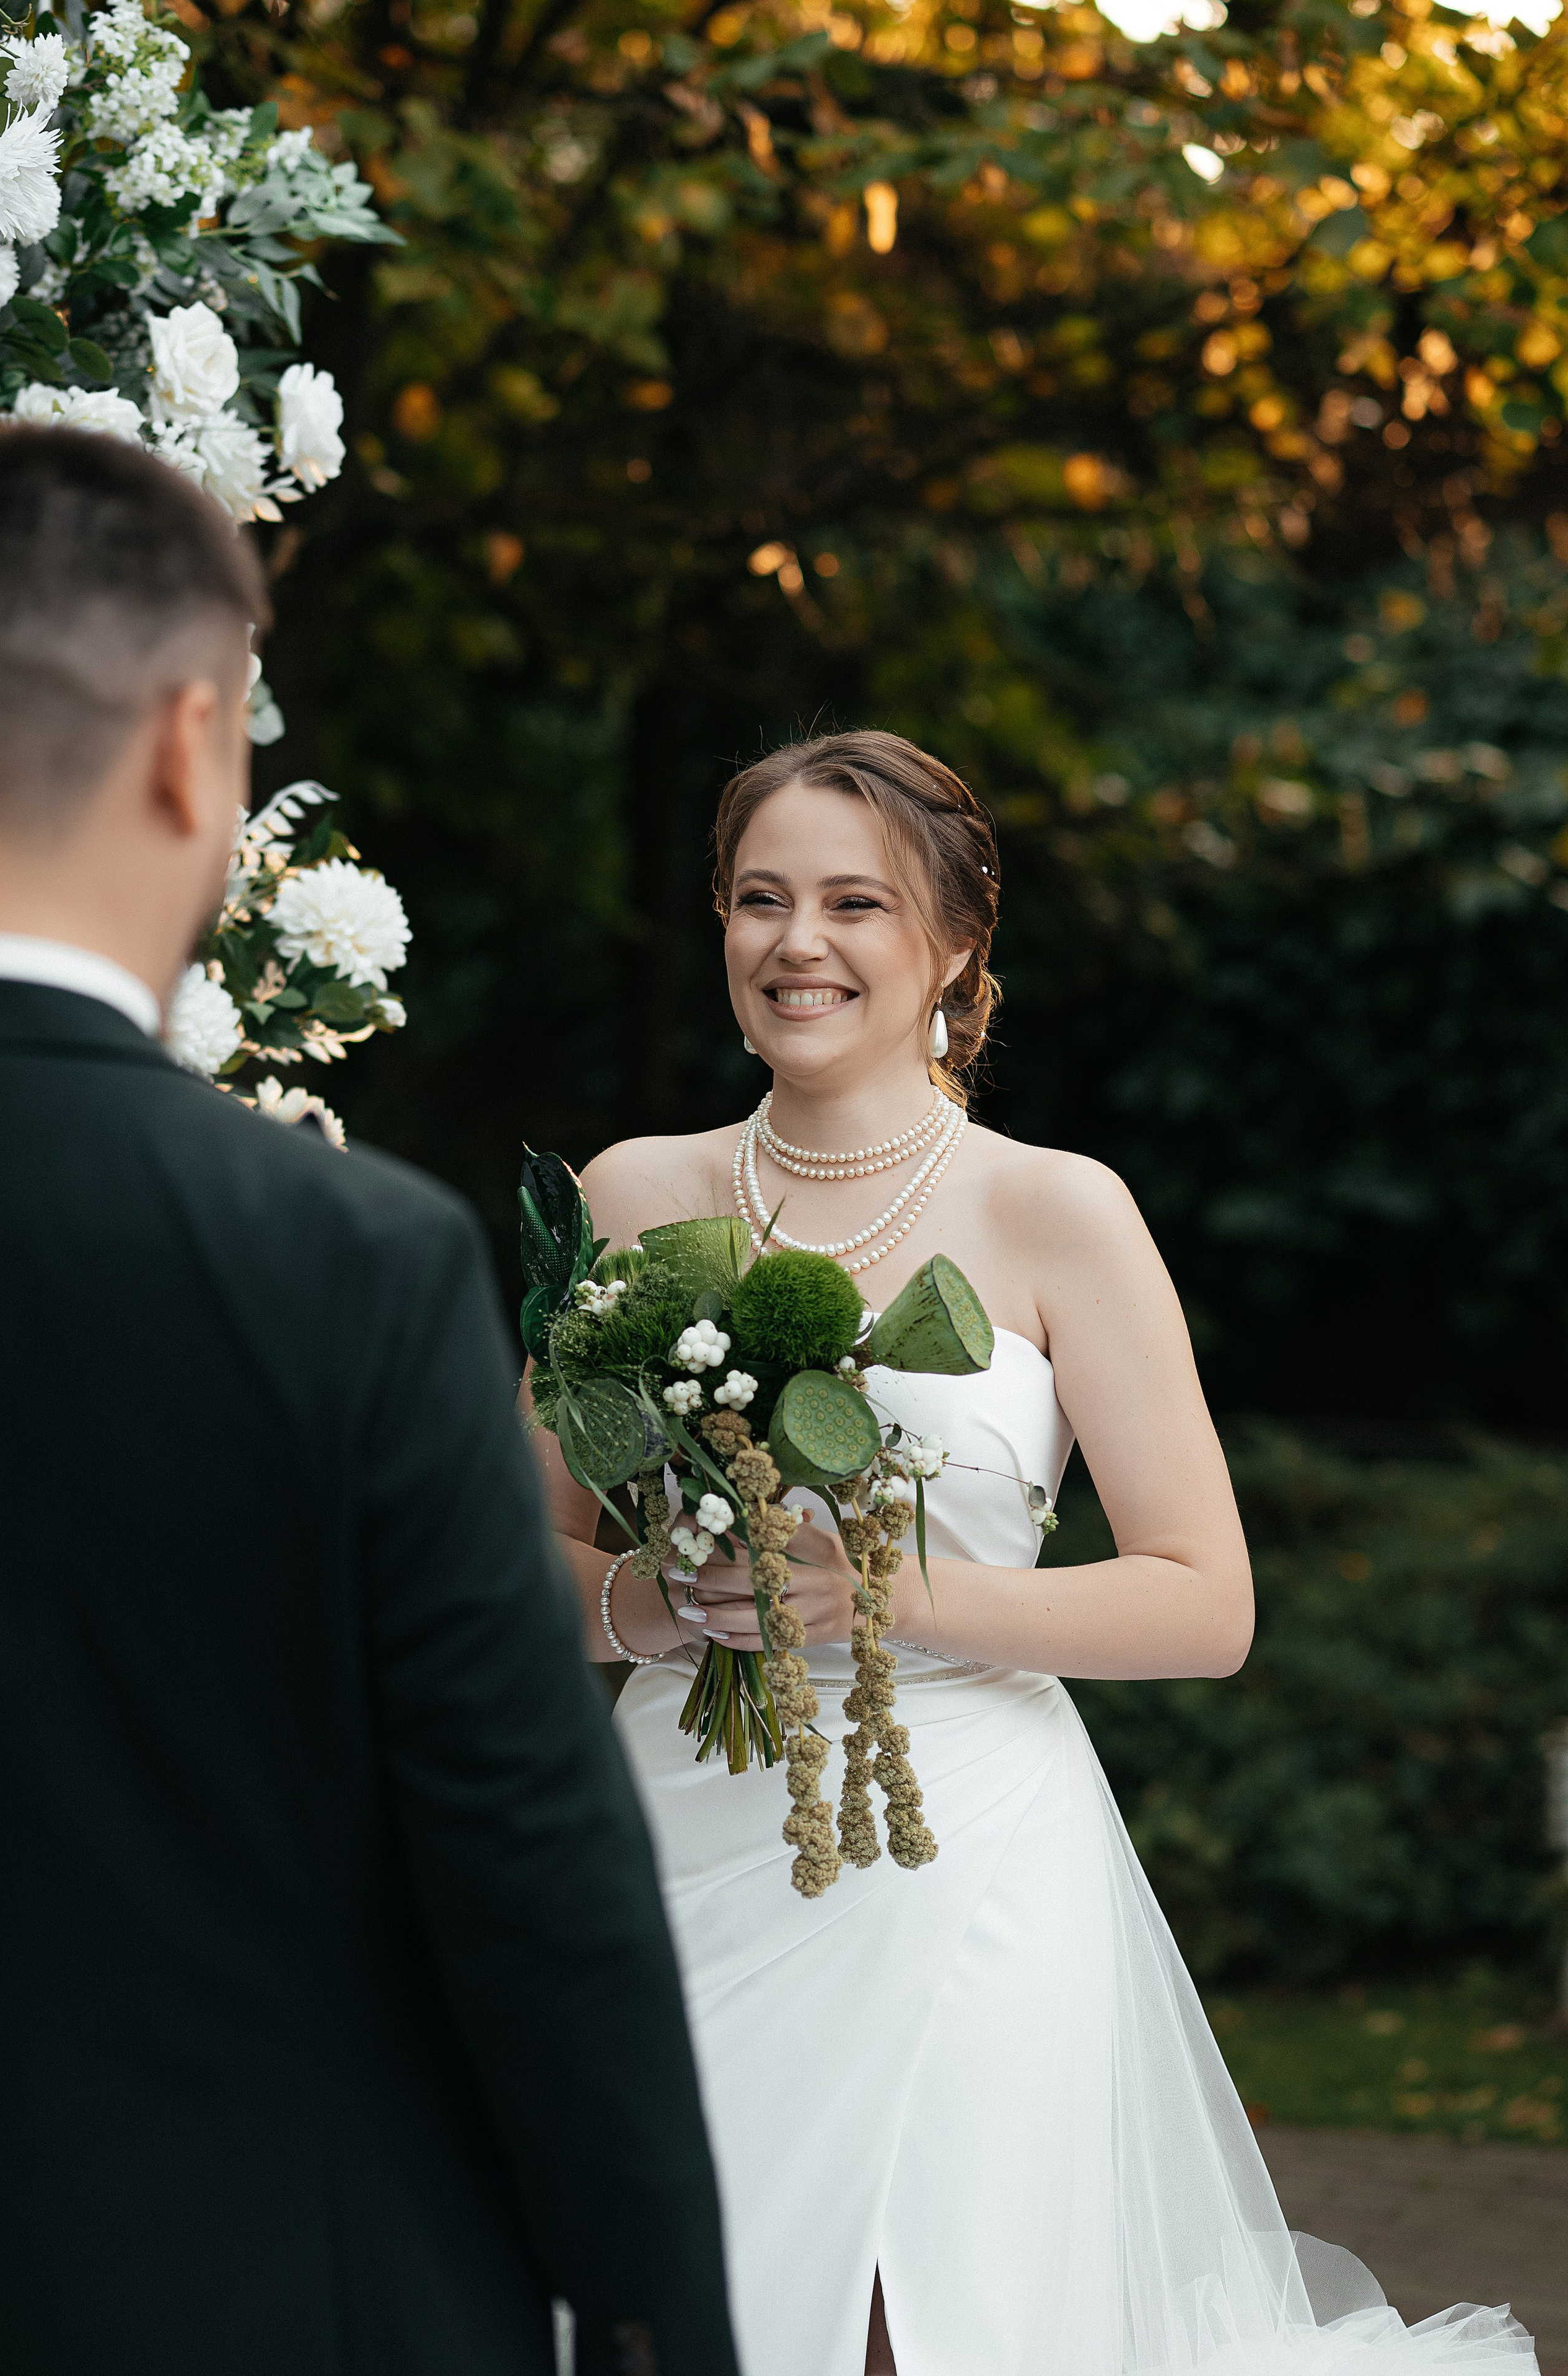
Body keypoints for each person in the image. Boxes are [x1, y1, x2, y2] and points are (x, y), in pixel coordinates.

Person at [534, 730, 1538, 2376]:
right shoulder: (634, 1195)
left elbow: (1206, 1600)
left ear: (954, 946)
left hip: (968, 1858)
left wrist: (896, 1594)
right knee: (665, 2311)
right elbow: (517, 1566)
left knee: (910, 2316)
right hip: (679, 1843)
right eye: (760, 899)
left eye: (855, 902)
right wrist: (651, 1602)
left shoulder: (1060, 1210)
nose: (799, 942)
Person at [0, 426, 740, 2376]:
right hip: (242, 2289)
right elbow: (520, 1856)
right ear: (187, 743)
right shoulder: (340, 1264)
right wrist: (657, 2319)